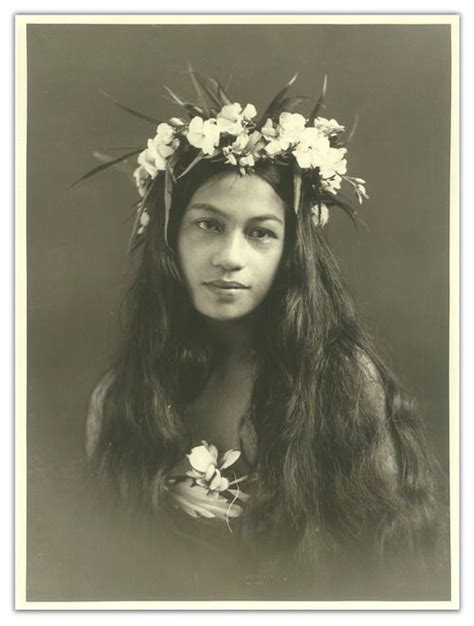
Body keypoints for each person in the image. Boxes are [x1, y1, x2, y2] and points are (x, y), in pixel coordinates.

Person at [83, 72, 448, 600]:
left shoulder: (344, 386)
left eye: (260, 233)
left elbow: (386, 579)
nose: (230, 258)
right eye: (208, 225)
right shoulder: (121, 397)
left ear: (290, 254)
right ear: (170, 237)